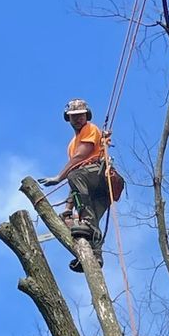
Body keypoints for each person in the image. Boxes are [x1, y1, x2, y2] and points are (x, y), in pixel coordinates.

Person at [42, 98, 112, 270]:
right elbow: (75, 183)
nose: (78, 119)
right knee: (83, 225)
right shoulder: (72, 145)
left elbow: (80, 158)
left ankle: (87, 224)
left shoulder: (90, 129)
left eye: (81, 115)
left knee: (74, 175)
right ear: (68, 118)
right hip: (88, 183)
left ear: (86, 115)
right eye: (74, 116)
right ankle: (92, 258)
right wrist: (67, 209)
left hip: (99, 176)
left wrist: (59, 176)